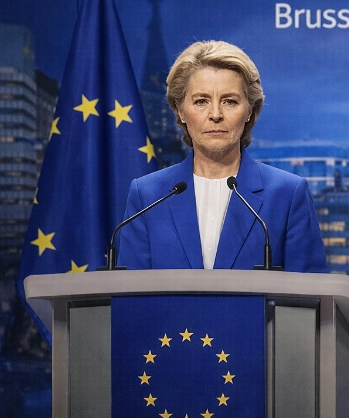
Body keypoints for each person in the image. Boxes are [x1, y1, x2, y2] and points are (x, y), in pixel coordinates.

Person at [118, 40, 328, 272]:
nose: (215, 114)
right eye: (201, 101)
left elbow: (309, 301)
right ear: (180, 110)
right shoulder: (147, 196)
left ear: (249, 110)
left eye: (230, 101)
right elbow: (130, 299)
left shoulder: (287, 195)